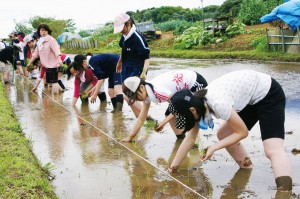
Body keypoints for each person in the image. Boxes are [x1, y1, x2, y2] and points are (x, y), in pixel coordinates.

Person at [167, 70, 292, 192]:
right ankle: (246, 167)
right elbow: (190, 138)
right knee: (224, 134)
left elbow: (242, 132)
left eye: (184, 117)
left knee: (272, 150)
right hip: (250, 99)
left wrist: (214, 147)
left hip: (269, 93)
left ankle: (285, 192)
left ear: (192, 111)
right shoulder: (196, 103)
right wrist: (173, 168)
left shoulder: (217, 103)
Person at [121, 69, 207, 142]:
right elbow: (141, 118)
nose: (136, 100)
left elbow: (180, 105)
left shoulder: (157, 91)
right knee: (169, 114)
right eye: (134, 99)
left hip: (195, 83)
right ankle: (181, 139)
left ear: (142, 87)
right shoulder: (147, 91)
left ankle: (194, 143)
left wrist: (163, 123)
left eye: (136, 96)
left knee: (190, 112)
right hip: (183, 91)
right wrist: (130, 137)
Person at [114, 13, 150, 118]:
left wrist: (143, 73)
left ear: (128, 24)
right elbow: (123, 49)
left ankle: (148, 117)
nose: (121, 31)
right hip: (126, 67)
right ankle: (140, 120)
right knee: (130, 97)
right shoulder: (124, 35)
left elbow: (147, 58)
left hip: (137, 69)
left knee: (128, 95)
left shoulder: (137, 38)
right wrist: (119, 62)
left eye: (122, 28)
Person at [26, 24, 63, 93]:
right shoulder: (39, 41)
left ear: (48, 31)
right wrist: (29, 63)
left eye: (45, 30)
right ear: (39, 32)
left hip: (54, 65)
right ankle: (58, 95)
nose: (43, 32)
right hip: (46, 66)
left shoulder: (51, 40)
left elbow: (57, 51)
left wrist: (60, 61)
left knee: (54, 83)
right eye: (42, 30)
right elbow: (35, 54)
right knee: (49, 84)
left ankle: (55, 99)